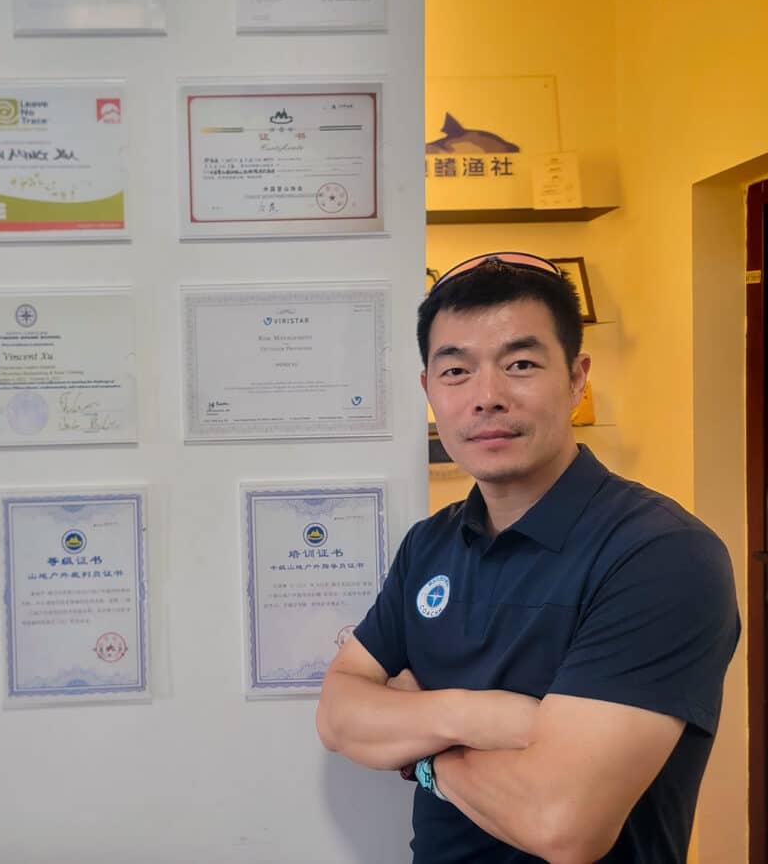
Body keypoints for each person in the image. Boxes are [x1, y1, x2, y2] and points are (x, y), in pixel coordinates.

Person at [316, 252, 740, 863]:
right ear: (428, 391)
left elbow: (561, 825)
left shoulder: (659, 554)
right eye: (456, 372)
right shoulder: (430, 544)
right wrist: (481, 714)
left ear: (576, 378)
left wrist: (424, 750)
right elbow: (338, 714)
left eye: (519, 364)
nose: (486, 398)